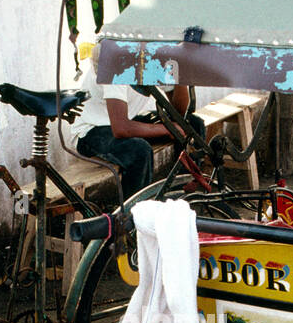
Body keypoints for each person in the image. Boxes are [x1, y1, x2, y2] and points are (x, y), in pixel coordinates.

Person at [70, 43, 204, 203]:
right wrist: (166, 129)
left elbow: (179, 113)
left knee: (192, 124)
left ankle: (181, 197)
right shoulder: (115, 63)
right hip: (91, 131)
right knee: (139, 152)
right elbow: (121, 128)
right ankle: (131, 218)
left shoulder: (154, 57)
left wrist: (180, 74)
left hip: (125, 121)